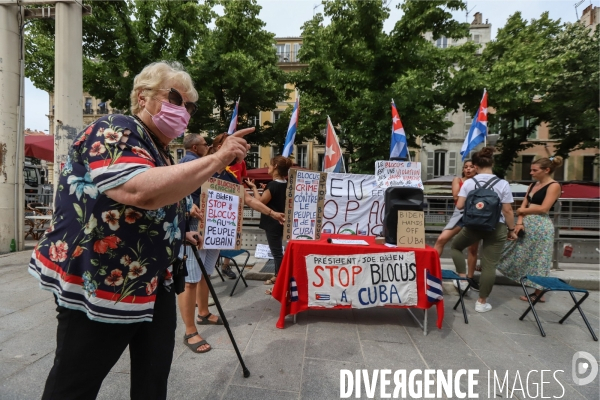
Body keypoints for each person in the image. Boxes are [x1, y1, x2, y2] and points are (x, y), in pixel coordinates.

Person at [28, 60, 254, 400]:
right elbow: (139, 191)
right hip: (102, 283)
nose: (184, 111)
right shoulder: (114, 128)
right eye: (175, 98)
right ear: (142, 97)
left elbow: (162, 201)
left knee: (152, 380)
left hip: (154, 283)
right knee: (74, 384)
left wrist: (181, 234)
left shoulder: (159, 149)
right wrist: (218, 159)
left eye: (190, 106)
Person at [178, 132, 285, 353]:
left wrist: (272, 213)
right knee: (189, 280)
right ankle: (189, 331)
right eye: (233, 155)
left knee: (205, 275)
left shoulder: (227, 176)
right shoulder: (195, 164)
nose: (236, 161)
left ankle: (203, 313)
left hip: (215, 232)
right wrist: (187, 205)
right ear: (218, 148)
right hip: (192, 231)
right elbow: (176, 187)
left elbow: (248, 199)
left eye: (238, 158)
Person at [450, 147, 517, 313]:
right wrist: (512, 230)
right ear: (492, 163)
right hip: (497, 226)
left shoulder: (469, 183)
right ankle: (481, 302)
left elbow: (459, 205)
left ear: (475, 165)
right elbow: (507, 210)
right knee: (489, 265)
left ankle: (462, 277)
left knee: (456, 247)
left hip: (472, 225)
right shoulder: (502, 184)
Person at [497, 156, 562, 303]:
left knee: (540, 257)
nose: (531, 173)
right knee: (512, 248)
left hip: (541, 226)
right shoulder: (533, 185)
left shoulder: (554, 186)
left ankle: (539, 293)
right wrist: (519, 222)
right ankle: (497, 267)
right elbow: (524, 205)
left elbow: (544, 208)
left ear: (547, 170)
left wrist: (523, 212)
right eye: (531, 170)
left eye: (535, 170)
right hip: (527, 222)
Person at [245, 155, 293, 295]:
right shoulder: (286, 184)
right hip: (282, 221)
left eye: (270, 165)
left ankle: (279, 282)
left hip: (273, 222)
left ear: (276, 167)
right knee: (279, 252)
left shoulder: (273, 185)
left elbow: (259, 202)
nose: (268, 167)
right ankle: (277, 276)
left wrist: (253, 188)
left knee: (277, 253)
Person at [433, 160, 480, 290]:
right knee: (441, 239)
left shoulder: (480, 181)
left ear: (476, 168)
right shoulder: (458, 179)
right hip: (459, 214)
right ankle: (431, 270)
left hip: (475, 215)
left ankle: (470, 278)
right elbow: (456, 196)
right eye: (466, 167)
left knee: (473, 248)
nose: (468, 169)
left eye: (471, 167)